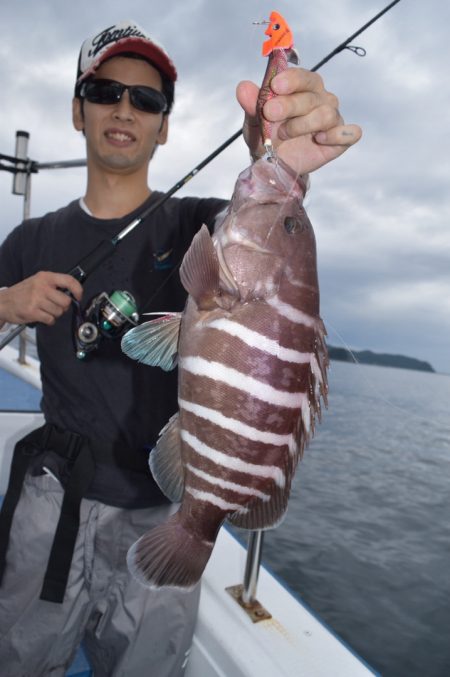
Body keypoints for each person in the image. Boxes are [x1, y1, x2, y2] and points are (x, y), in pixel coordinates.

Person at [0, 19, 361, 677]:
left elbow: (266, 215)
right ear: (77, 110)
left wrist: (277, 150)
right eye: (106, 90)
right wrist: (5, 302)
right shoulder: (30, 241)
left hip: (161, 504)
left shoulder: (199, 226)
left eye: (148, 99)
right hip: (52, 500)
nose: (125, 109)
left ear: (164, 125)